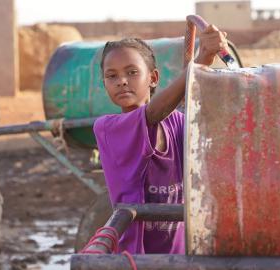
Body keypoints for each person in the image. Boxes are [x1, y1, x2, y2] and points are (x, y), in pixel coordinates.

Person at [93, 25, 228, 254]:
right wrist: (203, 58)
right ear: (104, 83)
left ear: (153, 78)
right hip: (135, 255)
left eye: (132, 72)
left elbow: (209, 120)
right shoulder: (107, 128)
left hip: (178, 249)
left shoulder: (178, 122)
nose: (122, 81)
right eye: (111, 75)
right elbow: (152, 114)